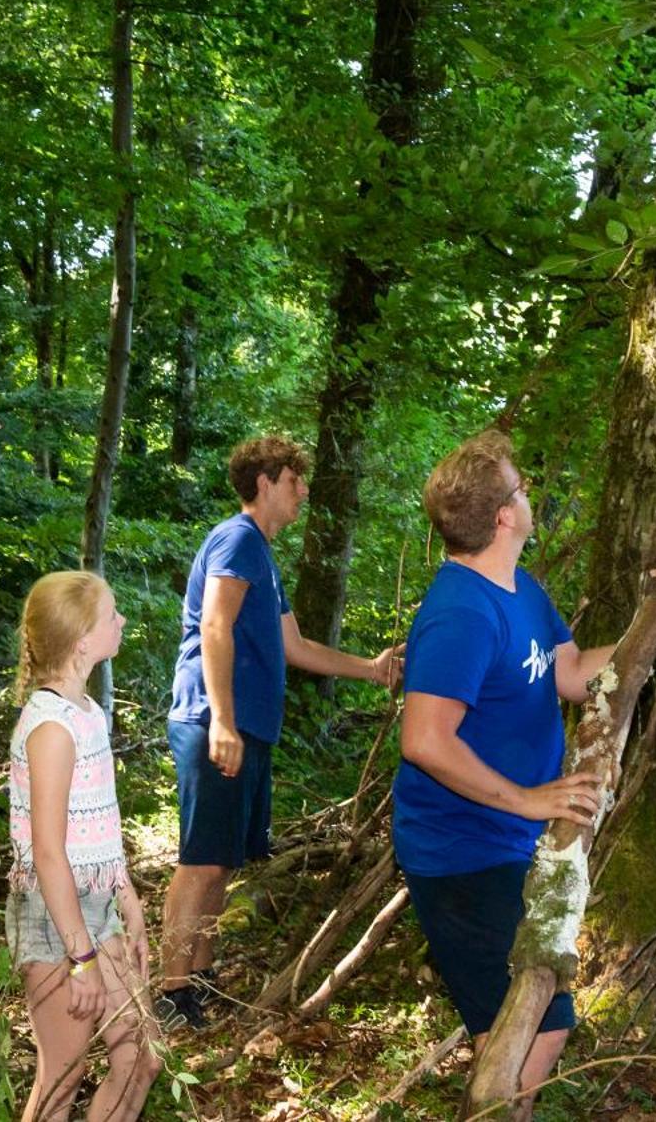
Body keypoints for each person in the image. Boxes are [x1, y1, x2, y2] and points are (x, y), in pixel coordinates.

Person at [393, 430, 656, 1098]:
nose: (529, 490)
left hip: (503, 842)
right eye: (520, 484)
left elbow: (570, 671)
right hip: (459, 852)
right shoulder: (462, 612)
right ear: (504, 515)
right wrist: (530, 799)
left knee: (521, 1028)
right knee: (539, 1024)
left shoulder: (519, 589)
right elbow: (424, 738)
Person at [158, 436, 402, 1029]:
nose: (305, 491)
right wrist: (222, 719)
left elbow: (294, 647)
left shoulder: (262, 559)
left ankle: (202, 977)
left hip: (242, 727)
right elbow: (215, 626)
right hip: (214, 721)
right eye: (296, 479)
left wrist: (371, 668)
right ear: (265, 482)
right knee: (200, 860)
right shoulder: (238, 539)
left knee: (222, 860)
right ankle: (169, 992)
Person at [6, 571, 162, 1121]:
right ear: (81, 642)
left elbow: (98, 826)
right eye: (112, 614)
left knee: (141, 1056)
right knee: (62, 1077)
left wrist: (127, 898)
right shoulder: (51, 729)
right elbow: (48, 853)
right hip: (57, 919)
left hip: (95, 907)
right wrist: (81, 958)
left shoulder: (88, 713)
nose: (121, 621)